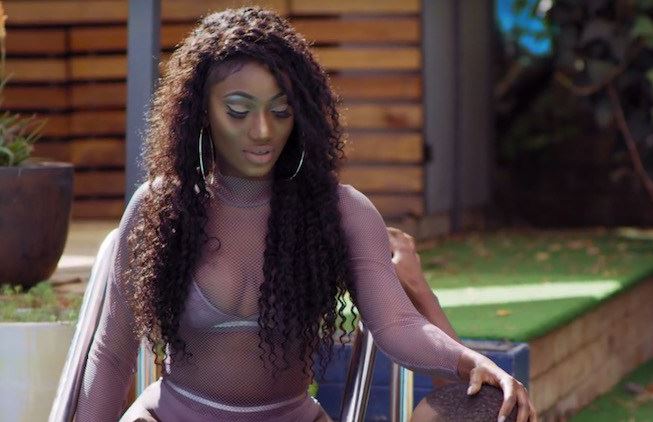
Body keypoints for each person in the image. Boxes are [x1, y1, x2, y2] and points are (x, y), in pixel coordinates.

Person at [74, 7, 535, 422]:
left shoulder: (339, 211)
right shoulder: (161, 208)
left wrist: (469, 361)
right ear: (200, 112)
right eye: (238, 111)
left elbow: (397, 325)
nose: (262, 130)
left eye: (281, 110)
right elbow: (112, 355)